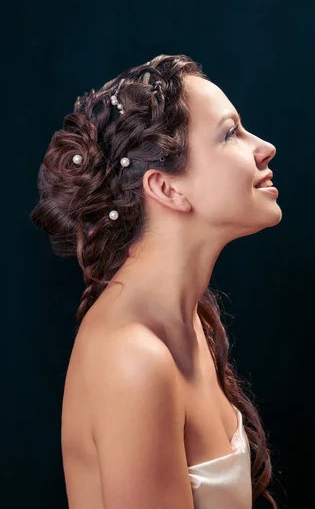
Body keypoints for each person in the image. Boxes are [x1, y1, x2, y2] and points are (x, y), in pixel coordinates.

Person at [30, 54, 282, 509]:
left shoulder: (185, 322)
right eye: (230, 134)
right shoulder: (135, 359)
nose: (264, 147)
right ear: (167, 188)